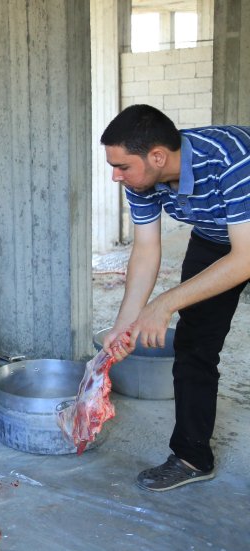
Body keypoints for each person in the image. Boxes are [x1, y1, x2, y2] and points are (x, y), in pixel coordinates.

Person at [99, 104, 250, 492]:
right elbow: (146, 249)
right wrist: (124, 327)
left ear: (157, 157)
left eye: (122, 166)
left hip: (245, 244)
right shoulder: (142, 181)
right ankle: (192, 457)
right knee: (194, 344)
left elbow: (245, 258)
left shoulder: (231, 158)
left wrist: (164, 303)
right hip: (215, 237)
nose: (115, 176)